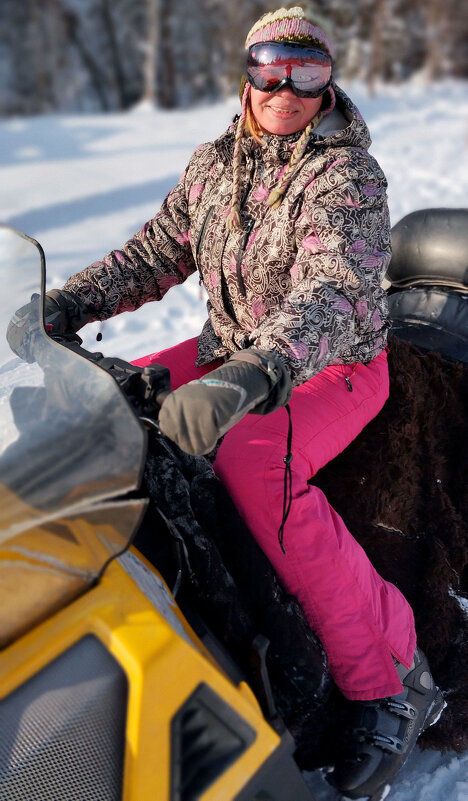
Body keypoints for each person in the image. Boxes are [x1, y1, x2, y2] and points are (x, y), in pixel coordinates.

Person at [7, 7, 445, 799]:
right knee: (115, 404)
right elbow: (156, 249)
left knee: (253, 463)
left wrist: (258, 372)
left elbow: (335, 293)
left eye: (306, 70)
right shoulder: (216, 162)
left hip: (332, 363)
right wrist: (66, 304)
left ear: (328, 80)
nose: (285, 87)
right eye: (271, 65)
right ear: (247, 72)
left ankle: (390, 679)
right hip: (235, 347)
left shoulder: (347, 175)